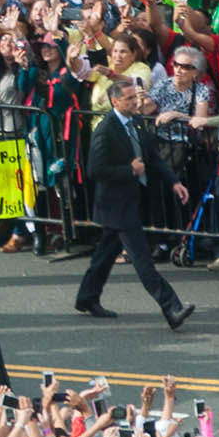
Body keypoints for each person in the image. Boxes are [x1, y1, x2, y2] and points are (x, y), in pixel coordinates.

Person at [72, 74, 196, 330]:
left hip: (131, 200)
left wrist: (174, 182)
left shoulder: (137, 123)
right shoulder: (105, 130)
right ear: (115, 101)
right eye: (128, 99)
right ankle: (172, 307)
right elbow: (95, 169)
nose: (134, 103)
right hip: (115, 205)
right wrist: (129, 170)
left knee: (105, 255)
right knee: (142, 259)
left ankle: (87, 298)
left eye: (134, 98)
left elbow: (152, 158)